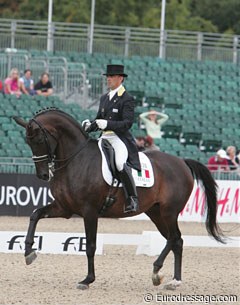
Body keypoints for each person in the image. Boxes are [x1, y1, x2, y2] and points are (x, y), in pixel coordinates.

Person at [83, 64, 141, 213]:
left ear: (120, 78)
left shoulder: (127, 98)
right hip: (104, 137)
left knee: (120, 163)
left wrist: (107, 123)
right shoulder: (104, 98)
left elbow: (127, 123)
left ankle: (132, 199)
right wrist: (90, 125)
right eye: (107, 76)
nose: (108, 79)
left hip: (118, 138)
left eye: (111, 76)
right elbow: (99, 120)